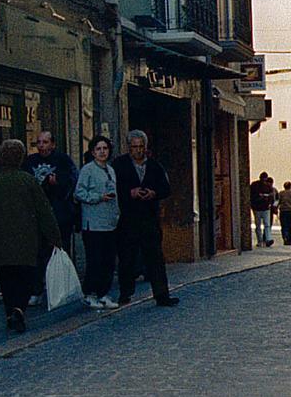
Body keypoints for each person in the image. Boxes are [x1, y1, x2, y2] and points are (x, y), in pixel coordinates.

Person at [0, 139, 62, 333]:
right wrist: (54, 236)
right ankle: (19, 309)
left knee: (7, 277)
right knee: (25, 276)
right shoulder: (28, 180)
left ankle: (10, 311)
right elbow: (43, 211)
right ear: (20, 157)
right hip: (26, 239)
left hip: (0, 240)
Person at [112, 130, 177, 307]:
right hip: (128, 218)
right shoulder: (119, 165)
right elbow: (112, 188)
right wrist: (129, 193)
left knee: (155, 257)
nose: (138, 151)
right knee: (127, 258)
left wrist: (153, 193)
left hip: (149, 218)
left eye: (141, 147)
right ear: (129, 148)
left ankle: (162, 294)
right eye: (134, 147)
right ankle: (125, 293)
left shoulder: (154, 166)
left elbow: (166, 188)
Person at [22, 131, 78, 305]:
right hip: (37, 217)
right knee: (38, 253)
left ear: (53, 144)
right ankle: (36, 289)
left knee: (60, 251)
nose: (41, 146)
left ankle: (62, 288)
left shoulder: (63, 160)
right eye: (39, 142)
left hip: (60, 215)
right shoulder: (30, 162)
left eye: (45, 142)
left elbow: (70, 185)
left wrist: (58, 183)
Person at [73, 136, 119, 310]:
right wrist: (97, 198)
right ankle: (89, 293)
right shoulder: (88, 170)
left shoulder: (111, 170)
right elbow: (79, 193)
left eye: (105, 148)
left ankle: (103, 293)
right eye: (98, 149)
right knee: (95, 260)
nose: (102, 152)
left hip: (110, 222)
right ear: (93, 152)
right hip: (93, 223)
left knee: (108, 261)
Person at [249, 172, 276, 247]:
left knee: (260, 225)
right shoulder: (257, 185)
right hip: (262, 207)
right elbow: (272, 195)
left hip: (260, 207)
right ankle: (264, 240)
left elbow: (272, 195)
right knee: (264, 224)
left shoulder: (255, 185)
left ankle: (264, 240)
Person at [276, 181, 291, 245]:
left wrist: (275, 209)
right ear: (290, 186)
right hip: (290, 211)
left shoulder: (281, 193)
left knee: (283, 225)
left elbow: (277, 202)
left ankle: (285, 237)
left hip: (283, 211)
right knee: (290, 226)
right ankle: (289, 239)